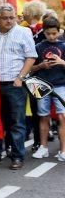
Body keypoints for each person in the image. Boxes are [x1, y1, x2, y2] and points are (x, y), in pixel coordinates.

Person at [0, 4, 37, 169]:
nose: (9, 21)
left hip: (15, 84)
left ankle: (17, 157)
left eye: (11, 17)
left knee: (16, 122)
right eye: (5, 18)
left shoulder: (23, 32)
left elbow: (31, 57)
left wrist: (20, 78)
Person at [29, 18, 65, 161]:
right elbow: (29, 69)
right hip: (41, 86)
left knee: (62, 117)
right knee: (43, 117)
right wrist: (41, 66)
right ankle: (43, 147)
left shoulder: (63, 46)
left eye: (54, 33)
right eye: (48, 33)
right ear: (44, 32)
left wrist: (62, 62)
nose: (51, 36)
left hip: (61, 85)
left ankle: (63, 150)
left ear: (59, 31)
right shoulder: (38, 47)